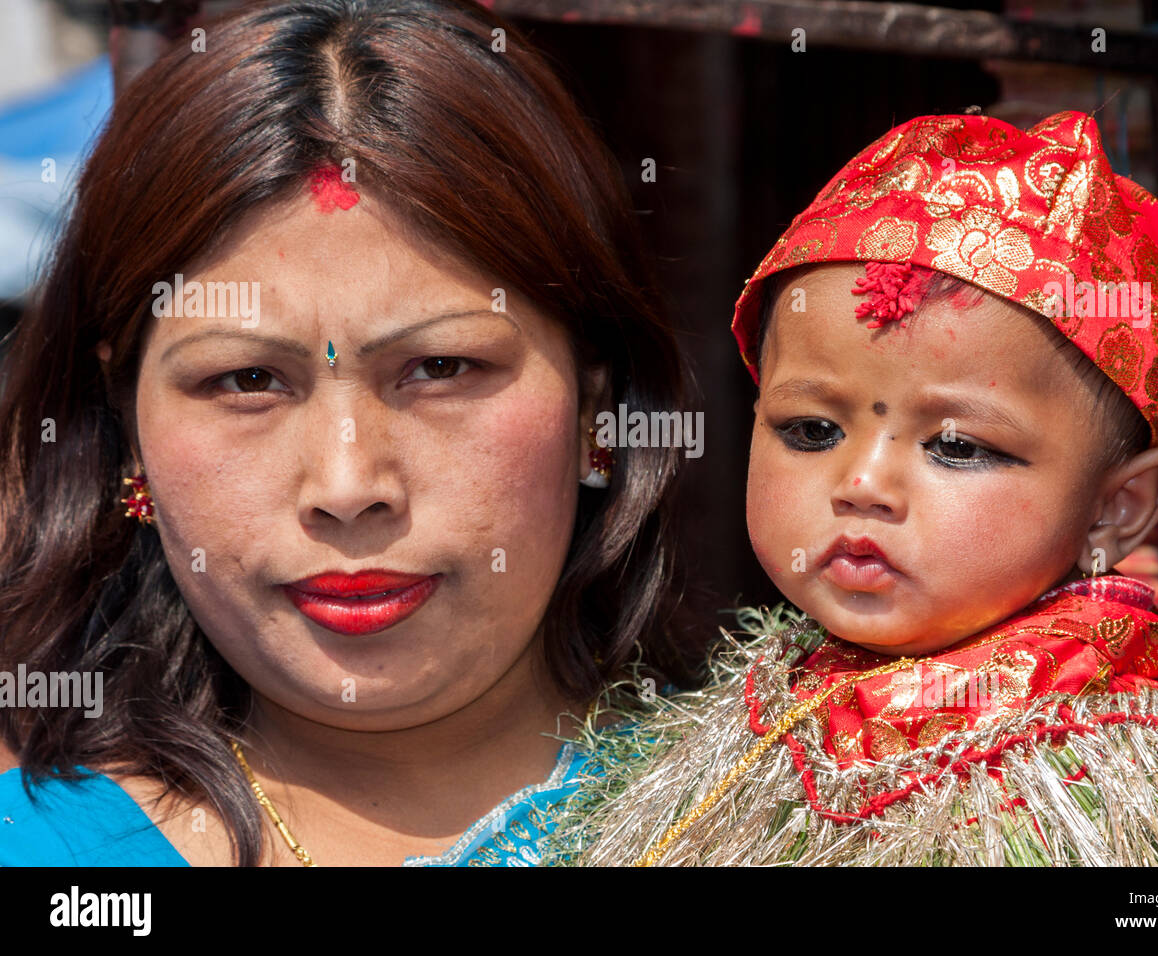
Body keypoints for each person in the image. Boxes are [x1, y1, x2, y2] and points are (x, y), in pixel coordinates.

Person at [0, 0, 700, 866]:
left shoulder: (801, 813)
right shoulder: (45, 856)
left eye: (441, 368)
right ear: (128, 433)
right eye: (247, 380)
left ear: (596, 397)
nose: (346, 486)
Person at [550, 110, 1158, 866]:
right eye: (811, 430)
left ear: (1117, 507)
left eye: (957, 446)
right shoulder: (755, 713)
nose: (863, 484)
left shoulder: (1133, 796)